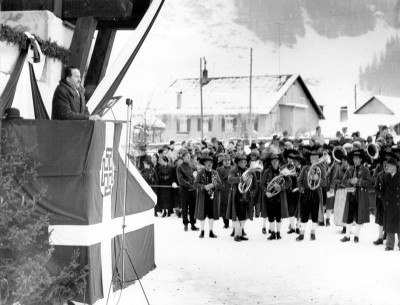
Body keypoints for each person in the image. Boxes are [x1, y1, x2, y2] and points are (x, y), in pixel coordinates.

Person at [340, 149, 371, 243]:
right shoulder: (350, 169)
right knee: (349, 215)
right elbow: (343, 182)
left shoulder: (365, 170)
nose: (355, 160)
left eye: (357, 158)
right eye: (354, 158)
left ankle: (356, 235)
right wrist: (349, 181)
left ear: (361, 159)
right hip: (351, 196)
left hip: (361, 196)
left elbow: (369, 183)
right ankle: (347, 236)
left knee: (359, 216)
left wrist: (359, 182)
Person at [227, 152, 258, 242]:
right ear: (238, 162)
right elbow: (229, 180)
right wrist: (241, 179)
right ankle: (236, 235)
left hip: (246, 195)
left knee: (244, 215)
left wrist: (251, 193)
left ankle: (240, 234)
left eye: (244, 162)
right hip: (236, 195)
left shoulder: (251, 172)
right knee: (237, 215)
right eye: (241, 162)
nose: (243, 164)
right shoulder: (234, 170)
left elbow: (255, 186)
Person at [296, 150, 326, 241]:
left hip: (316, 192)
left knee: (314, 214)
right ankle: (302, 234)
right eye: (312, 157)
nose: (314, 159)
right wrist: (301, 189)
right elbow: (299, 180)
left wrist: (318, 179)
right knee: (304, 213)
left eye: (316, 158)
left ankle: (313, 233)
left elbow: (324, 183)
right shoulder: (305, 168)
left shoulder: (321, 169)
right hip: (306, 192)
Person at [260, 154, 291, 240]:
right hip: (270, 196)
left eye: (276, 161)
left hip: (279, 196)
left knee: (278, 215)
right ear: (270, 162)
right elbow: (262, 184)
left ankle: (278, 233)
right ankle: (273, 233)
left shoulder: (283, 171)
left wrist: (281, 187)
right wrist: (266, 192)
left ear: (279, 162)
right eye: (273, 161)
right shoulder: (267, 171)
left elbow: (289, 182)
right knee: (270, 215)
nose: (275, 162)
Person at [194, 153, 222, 238]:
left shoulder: (215, 173)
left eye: (211, 162)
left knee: (211, 214)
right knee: (202, 214)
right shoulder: (200, 173)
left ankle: (211, 231)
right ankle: (202, 231)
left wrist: (214, 185)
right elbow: (195, 184)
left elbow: (220, 184)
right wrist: (204, 187)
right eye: (207, 162)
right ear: (204, 163)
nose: (209, 164)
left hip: (212, 196)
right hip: (203, 196)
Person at [176, 149, 199, 232]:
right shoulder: (179, 167)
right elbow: (180, 180)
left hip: (193, 190)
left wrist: (194, 185)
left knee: (193, 207)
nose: (188, 158)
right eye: (187, 156)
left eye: (189, 156)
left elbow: (196, 177)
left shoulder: (193, 166)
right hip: (184, 190)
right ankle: (185, 223)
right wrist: (189, 185)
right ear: (183, 157)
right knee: (185, 208)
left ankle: (193, 224)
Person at [381, 156, 400, 251]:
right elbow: (383, 190)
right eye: (386, 165)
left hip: (398, 204)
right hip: (389, 205)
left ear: (395, 166)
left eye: (389, 165)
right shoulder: (385, 177)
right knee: (389, 226)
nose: (387, 167)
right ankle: (389, 245)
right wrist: (384, 200)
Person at [216, 153, 232, 228]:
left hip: (231, 190)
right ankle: (226, 223)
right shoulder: (218, 169)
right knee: (224, 207)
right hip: (223, 191)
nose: (227, 162)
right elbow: (216, 180)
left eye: (228, 160)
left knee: (232, 206)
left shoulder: (233, 169)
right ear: (222, 162)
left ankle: (234, 222)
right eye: (225, 160)